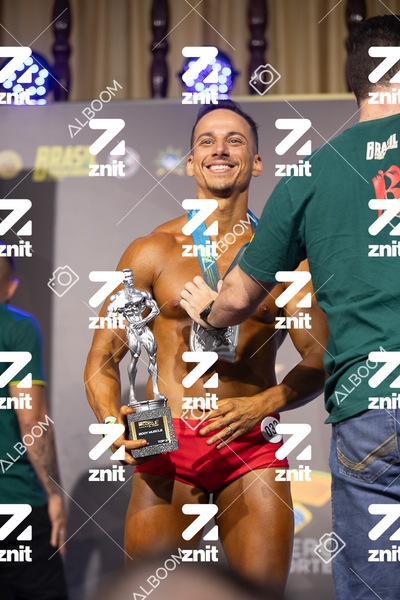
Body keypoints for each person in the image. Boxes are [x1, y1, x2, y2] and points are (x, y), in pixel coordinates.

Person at [180, 16, 400, 600]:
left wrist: (210, 311)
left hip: (372, 403)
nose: (220, 151)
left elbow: (237, 301)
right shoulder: (150, 249)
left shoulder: (314, 170)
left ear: (355, 83)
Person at [85, 100, 328, 594]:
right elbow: (102, 359)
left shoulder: (290, 261)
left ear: (256, 162)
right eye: (207, 142)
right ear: (192, 163)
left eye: (234, 140)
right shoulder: (151, 251)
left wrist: (265, 403)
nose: (220, 149)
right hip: (165, 439)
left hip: (250, 440)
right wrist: (111, 422)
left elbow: (321, 358)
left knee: (261, 594)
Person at [0, 250, 68, 599]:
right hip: (13, 502)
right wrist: (54, 494)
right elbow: (32, 421)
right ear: (10, 288)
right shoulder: (18, 327)